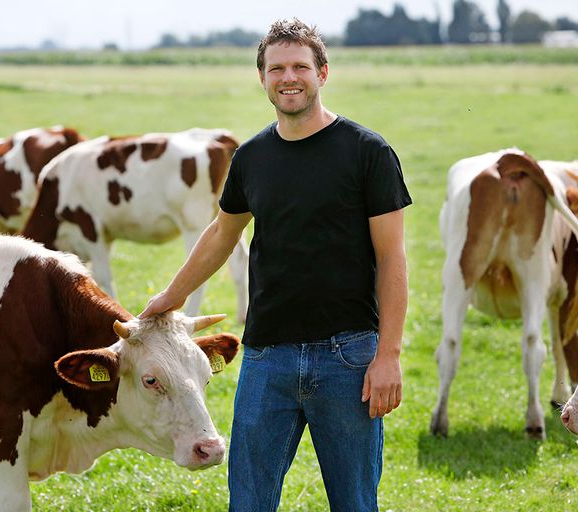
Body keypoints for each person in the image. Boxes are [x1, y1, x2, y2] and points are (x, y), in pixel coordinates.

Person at [140, 18, 411, 512]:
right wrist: (170, 297)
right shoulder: (252, 157)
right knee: (248, 502)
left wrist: (387, 354)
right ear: (262, 78)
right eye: (277, 68)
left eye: (301, 67)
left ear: (323, 73)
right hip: (267, 357)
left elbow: (392, 258)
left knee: (354, 503)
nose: (289, 77)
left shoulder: (368, 152)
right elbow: (224, 232)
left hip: (347, 357)